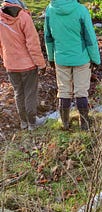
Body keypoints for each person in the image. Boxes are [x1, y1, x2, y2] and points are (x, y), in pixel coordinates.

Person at [44, 0, 101, 131]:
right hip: (81, 58)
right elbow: (89, 37)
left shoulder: (50, 9)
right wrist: (95, 59)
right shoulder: (81, 10)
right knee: (81, 92)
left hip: (61, 58)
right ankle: (84, 125)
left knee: (63, 91)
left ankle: (64, 123)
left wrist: (51, 58)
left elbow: (48, 37)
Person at [0, 0, 46, 131]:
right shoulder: (23, 17)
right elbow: (33, 44)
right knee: (30, 93)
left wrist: (6, 59)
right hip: (27, 65)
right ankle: (32, 123)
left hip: (10, 64)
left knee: (18, 93)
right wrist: (41, 64)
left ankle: (23, 122)